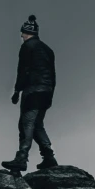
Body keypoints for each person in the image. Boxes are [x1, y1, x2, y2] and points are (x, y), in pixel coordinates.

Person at [4, 15, 59, 175]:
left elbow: (23, 70)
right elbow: (53, 74)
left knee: (26, 124)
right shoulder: (48, 50)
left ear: (27, 32)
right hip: (47, 91)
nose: (21, 36)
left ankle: (21, 159)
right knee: (37, 125)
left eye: (22, 33)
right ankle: (49, 157)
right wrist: (50, 94)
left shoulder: (28, 47)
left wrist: (17, 91)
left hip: (33, 90)